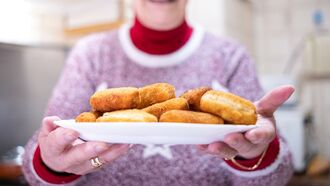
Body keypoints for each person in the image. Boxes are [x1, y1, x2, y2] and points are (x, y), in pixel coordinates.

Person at [22, 0, 295, 185]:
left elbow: (280, 175)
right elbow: (35, 165)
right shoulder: (91, 55)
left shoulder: (230, 56)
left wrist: (256, 154)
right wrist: (52, 164)